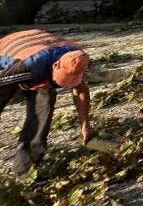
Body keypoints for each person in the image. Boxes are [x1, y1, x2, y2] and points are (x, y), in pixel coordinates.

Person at [0, 29, 93, 174]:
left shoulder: (77, 58)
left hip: (42, 54)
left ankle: (25, 169)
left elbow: (80, 90)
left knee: (43, 107)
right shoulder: (29, 66)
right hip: (9, 54)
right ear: (55, 66)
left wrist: (85, 125)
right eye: (60, 81)